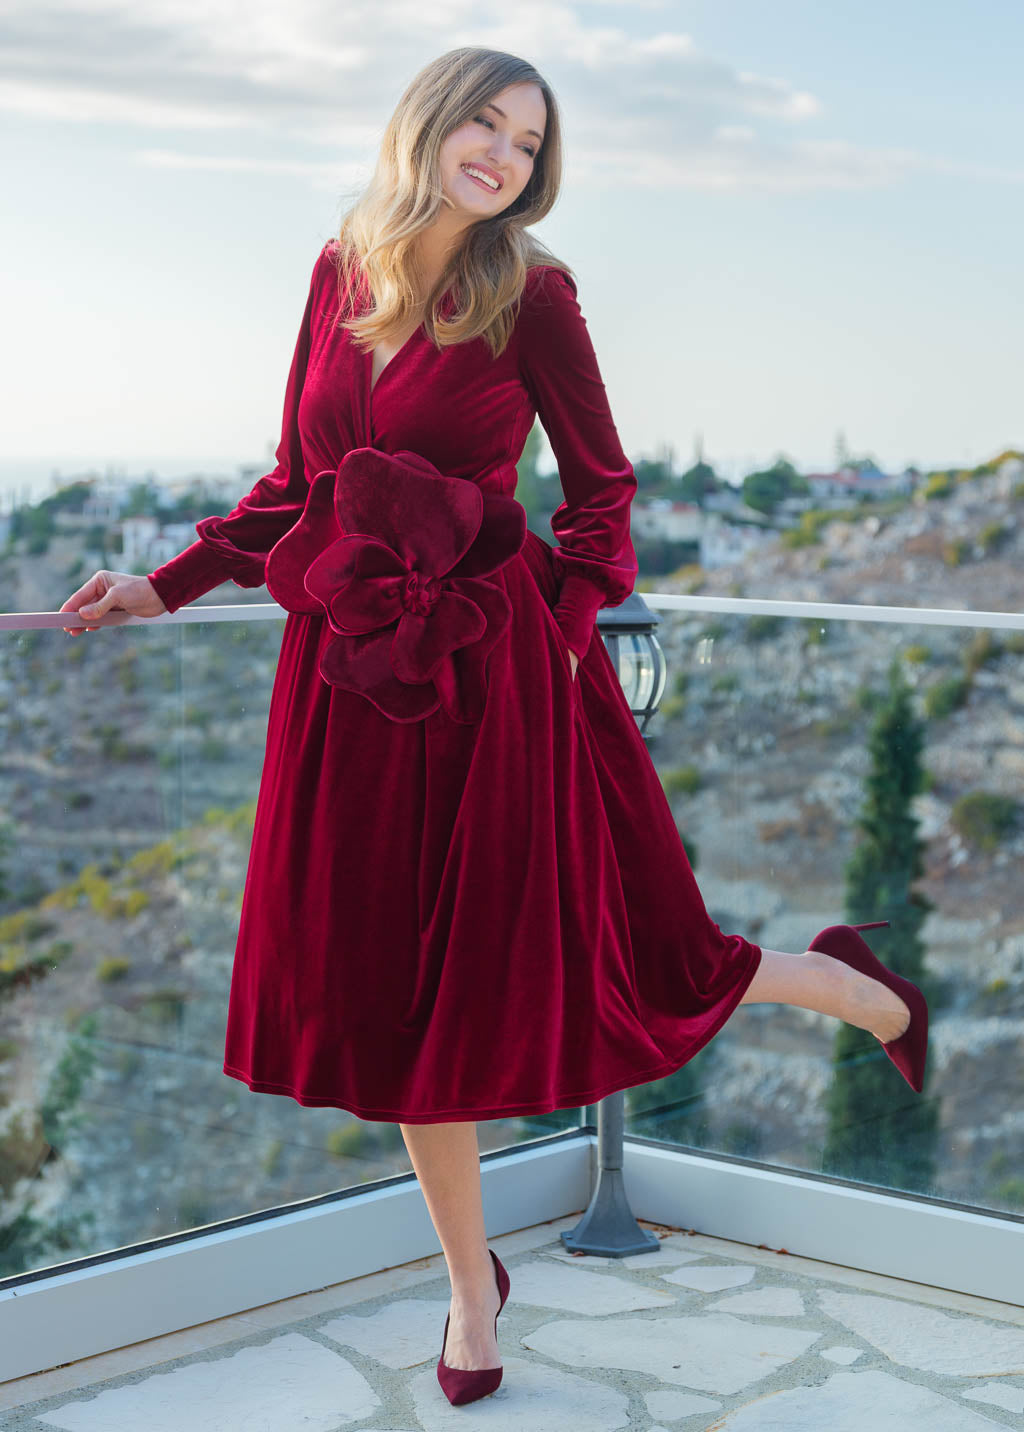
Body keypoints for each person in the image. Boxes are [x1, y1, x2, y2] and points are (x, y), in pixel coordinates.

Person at [60, 47, 927, 1407]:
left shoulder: (534, 291)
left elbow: (603, 497)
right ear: (430, 119)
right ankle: (475, 1289)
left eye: (528, 143)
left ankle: (859, 989)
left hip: (492, 681)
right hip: (352, 676)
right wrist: (161, 585)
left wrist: (553, 635)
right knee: (404, 993)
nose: (505, 156)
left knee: (615, 959)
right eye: (487, 122)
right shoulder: (340, 270)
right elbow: (300, 482)